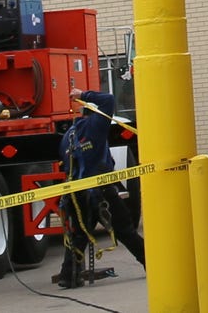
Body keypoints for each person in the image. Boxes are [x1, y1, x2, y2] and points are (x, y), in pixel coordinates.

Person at [58, 90, 143, 283]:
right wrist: (83, 94)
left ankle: (68, 276)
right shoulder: (95, 126)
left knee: (79, 235)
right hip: (101, 192)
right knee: (125, 231)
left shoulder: (68, 137)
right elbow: (108, 99)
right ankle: (151, 263)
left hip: (78, 194)